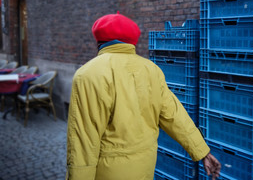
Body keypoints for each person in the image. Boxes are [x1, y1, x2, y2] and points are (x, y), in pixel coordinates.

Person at [66, 12, 221, 180]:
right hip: (146, 166)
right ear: (133, 41)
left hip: (109, 171)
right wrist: (202, 151)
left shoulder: (88, 74)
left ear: (99, 41)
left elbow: (83, 140)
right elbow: (175, 116)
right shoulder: (151, 70)